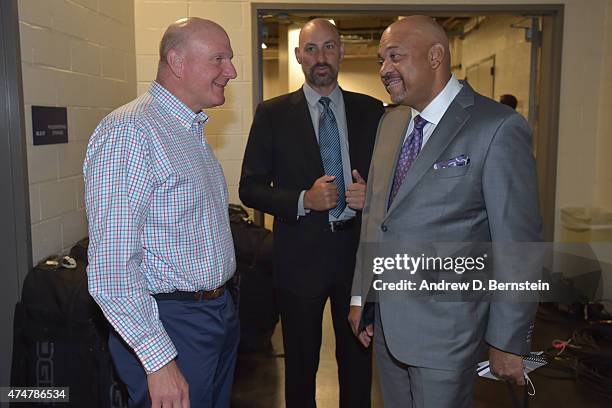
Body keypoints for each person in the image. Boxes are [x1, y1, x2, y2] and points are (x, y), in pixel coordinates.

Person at [348, 16, 542, 407]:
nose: (385, 70)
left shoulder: (497, 128)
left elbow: (517, 244)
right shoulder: (391, 124)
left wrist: (507, 340)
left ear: (436, 56)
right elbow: (376, 219)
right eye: (381, 60)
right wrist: (359, 295)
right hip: (387, 325)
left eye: (395, 57)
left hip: (448, 334)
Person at [84, 18, 239, 408]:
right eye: (218, 59)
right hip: (170, 323)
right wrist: (159, 361)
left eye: (230, 60)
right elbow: (112, 267)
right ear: (177, 61)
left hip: (214, 313)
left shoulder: (188, 130)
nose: (231, 71)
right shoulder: (131, 132)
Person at [239, 18, 384, 408]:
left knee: (357, 362)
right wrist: (303, 199)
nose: (321, 58)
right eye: (312, 49)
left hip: (357, 258)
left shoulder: (372, 111)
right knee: (301, 366)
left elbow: (397, 182)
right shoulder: (272, 114)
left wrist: (373, 196)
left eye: (329, 47)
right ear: (299, 55)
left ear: (342, 51)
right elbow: (249, 188)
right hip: (298, 258)